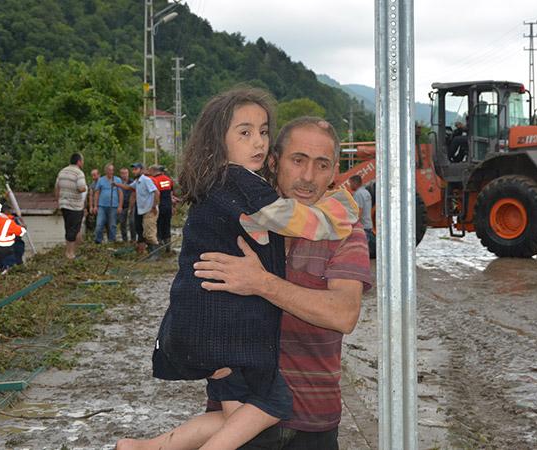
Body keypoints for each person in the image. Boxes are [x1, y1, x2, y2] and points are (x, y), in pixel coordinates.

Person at [116, 92, 359, 450]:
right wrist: (343, 209)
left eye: (322, 164)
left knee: (234, 418)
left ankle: (146, 447)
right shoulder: (247, 195)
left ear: (334, 170)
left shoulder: (342, 236)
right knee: (261, 409)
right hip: (239, 364)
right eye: (298, 159)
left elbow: (344, 314)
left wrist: (261, 283)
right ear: (275, 162)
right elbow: (295, 223)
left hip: (307, 423)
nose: (309, 175)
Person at [117, 163, 160, 255]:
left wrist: (154, 206)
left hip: (149, 210)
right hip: (142, 210)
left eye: (136, 169)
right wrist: (117, 184)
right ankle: (147, 252)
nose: (134, 171)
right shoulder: (137, 181)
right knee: (143, 232)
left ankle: (155, 254)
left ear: (141, 170)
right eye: (133, 169)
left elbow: (156, 192)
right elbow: (129, 187)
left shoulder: (146, 180)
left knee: (150, 233)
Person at [54, 152, 88, 259]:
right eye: (82, 160)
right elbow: (81, 188)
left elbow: (57, 188)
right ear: (78, 161)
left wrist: (58, 201)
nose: (83, 163)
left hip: (64, 205)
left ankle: (68, 252)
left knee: (68, 228)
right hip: (75, 206)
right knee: (73, 230)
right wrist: (86, 188)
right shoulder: (79, 173)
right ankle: (71, 253)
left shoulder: (62, 171)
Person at [0, 202, 27, 275]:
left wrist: (1, 201)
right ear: (6, 211)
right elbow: (21, 232)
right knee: (11, 269)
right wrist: (24, 227)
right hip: (7, 250)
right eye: (9, 210)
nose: (11, 212)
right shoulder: (9, 222)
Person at [92, 163, 123, 244]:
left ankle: (111, 242)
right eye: (109, 170)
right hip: (102, 206)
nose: (111, 172)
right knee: (99, 225)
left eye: (112, 170)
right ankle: (98, 241)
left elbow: (120, 193)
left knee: (112, 225)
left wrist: (120, 206)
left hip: (113, 206)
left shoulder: (117, 180)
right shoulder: (100, 180)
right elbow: (96, 193)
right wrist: (95, 206)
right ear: (106, 170)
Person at [349, 174, 375, 258]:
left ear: (354, 183)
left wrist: (354, 225)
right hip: (368, 223)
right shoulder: (366, 192)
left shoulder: (358, 194)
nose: (349, 185)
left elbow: (359, 211)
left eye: (350, 183)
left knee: (361, 249)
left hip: (362, 225)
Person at [150, 165, 175, 251]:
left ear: (154, 171)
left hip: (159, 206)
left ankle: (159, 246)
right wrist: (172, 206)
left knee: (158, 226)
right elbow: (170, 194)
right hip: (168, 206)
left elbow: (156, 194)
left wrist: (154, 206)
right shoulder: (169, 180)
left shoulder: (154, 180)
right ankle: (168, 247)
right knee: (167, 225)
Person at [118, 167, 136, 242]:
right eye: (122, 173)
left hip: (131, 205)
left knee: (132, 222)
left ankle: (133, 239)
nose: (124, 175)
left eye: (126, 173)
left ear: (128, 174)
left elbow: (134, 193)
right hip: (122, 205)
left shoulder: (132, 182)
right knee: (122, 222)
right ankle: (124, 239)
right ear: (120, 174)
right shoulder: (119, 182)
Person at [85, 168, 100, 235]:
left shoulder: (103, 182)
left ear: (99, 175)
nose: (93, 177)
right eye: (92, 175)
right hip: (95, 206)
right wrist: (91, 206)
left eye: (94, 175)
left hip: (102, 205)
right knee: (95, 222)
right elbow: (90, 195)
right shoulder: (92, 184)